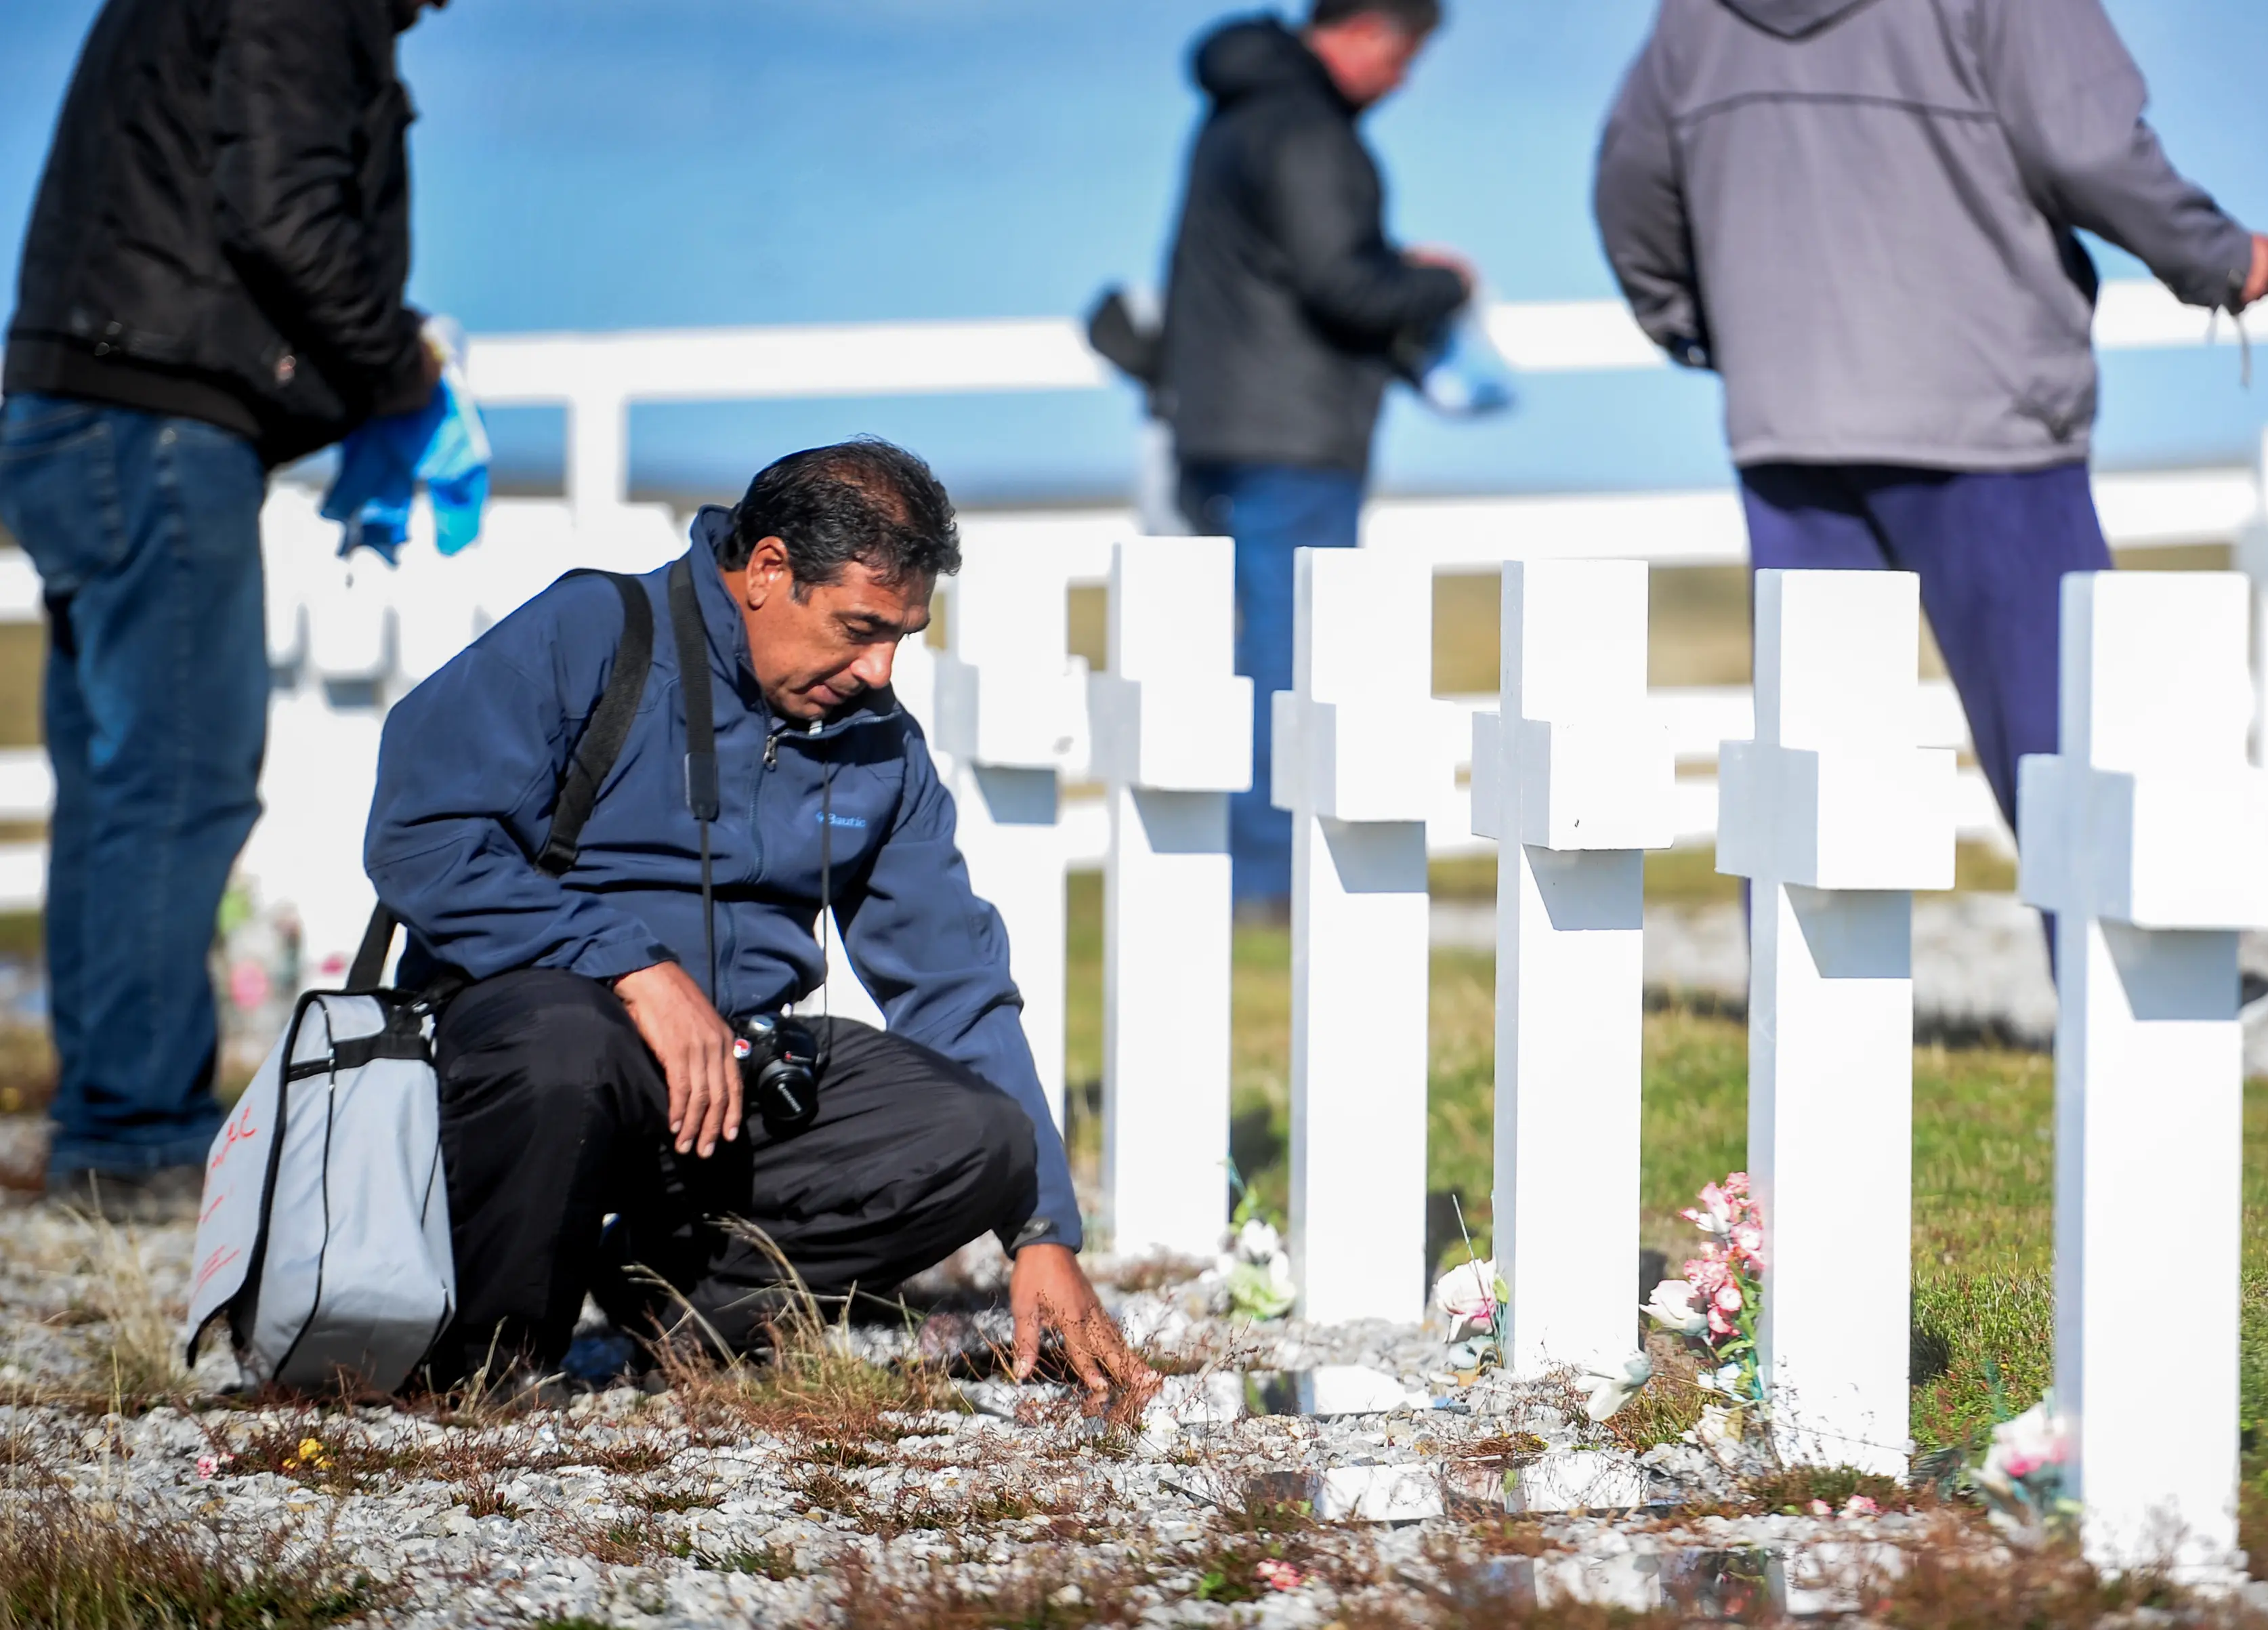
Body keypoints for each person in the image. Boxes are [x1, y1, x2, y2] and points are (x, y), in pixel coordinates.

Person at [364, 440, 1146, 1400]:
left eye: (903, 634)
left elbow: (955, 982)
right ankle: (485, 1367)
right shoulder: (592, 632)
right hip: (533, 1052)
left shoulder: (881, 746)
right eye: (861, 627)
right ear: (769, 570)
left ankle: (681, 1312)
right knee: (568, 1042)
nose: (879, 667)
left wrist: (1044, 1234)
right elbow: (419, 842)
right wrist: (629, 966)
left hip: (733, 1083)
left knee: (982, 1134)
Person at [1593, 0, 2268, 866]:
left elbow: (1629, 180)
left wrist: (1703, 326)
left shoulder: (1692, 18)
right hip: (1986, 406)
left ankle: (1809, 1001)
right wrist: (2217, 254)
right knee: (2066, 728)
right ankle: (2131, 991)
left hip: (1790, 419)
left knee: (1813, 753)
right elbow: (2089, 144)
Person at [0, 0, 450, 1217]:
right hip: (156, 416)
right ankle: (139, 1135)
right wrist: (400, 359)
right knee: (178, 780)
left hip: (77, 399)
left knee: (115, 780)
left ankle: (110, 1122)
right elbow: (285, 210)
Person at [1158, 0, 1473, 913]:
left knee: (1258, 653)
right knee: (1289, 663)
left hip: (1222, 421)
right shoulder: (1307, 130)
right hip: (1291, 436)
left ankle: (1250, 868)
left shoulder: (1238, 114)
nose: (1404, 79)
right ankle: (1267, 880)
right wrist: (1444, 281)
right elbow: (1345, 285)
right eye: (1406, 55)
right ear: (1368, 29)